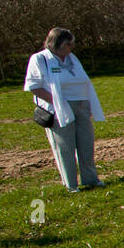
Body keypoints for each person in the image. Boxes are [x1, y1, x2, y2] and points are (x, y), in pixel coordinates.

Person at [24, 28, 106, 192]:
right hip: (58, 108)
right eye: (68, 44)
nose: (71, 47)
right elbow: (34, 87)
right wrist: (57, 102)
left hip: (81, 105)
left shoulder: (72, 58)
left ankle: (90, 179)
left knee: (86, 143)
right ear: (58, 44)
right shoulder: (40, 59)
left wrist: (88, 103)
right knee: (65, 146)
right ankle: (71, 184)